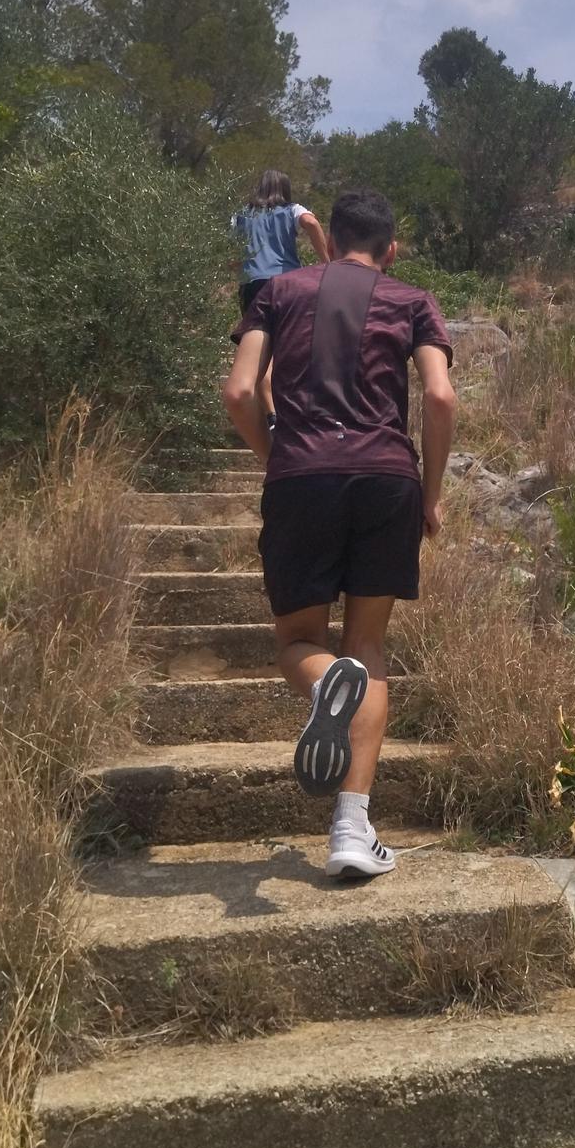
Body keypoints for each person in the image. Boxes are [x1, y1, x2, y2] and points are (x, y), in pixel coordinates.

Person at [220, 189, 456, 880]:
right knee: (369, 649)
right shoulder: (411, 299)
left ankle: (323, 686)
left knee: (300, 642)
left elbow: (239, 392)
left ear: (334, 236)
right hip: (388, 479)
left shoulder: (279, 292)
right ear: (390, 249)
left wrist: (279, 459)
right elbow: (440, 397)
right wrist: (431, 495)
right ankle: (351, 831)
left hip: (301, 477)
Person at [231, 168, 328, 315]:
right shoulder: (293, 209)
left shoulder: (240, 214)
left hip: (252, 283)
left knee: (255, 333)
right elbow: (312, 223)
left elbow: (232, 255)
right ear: (285, 188)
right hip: (288, 282)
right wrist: (327, 262)